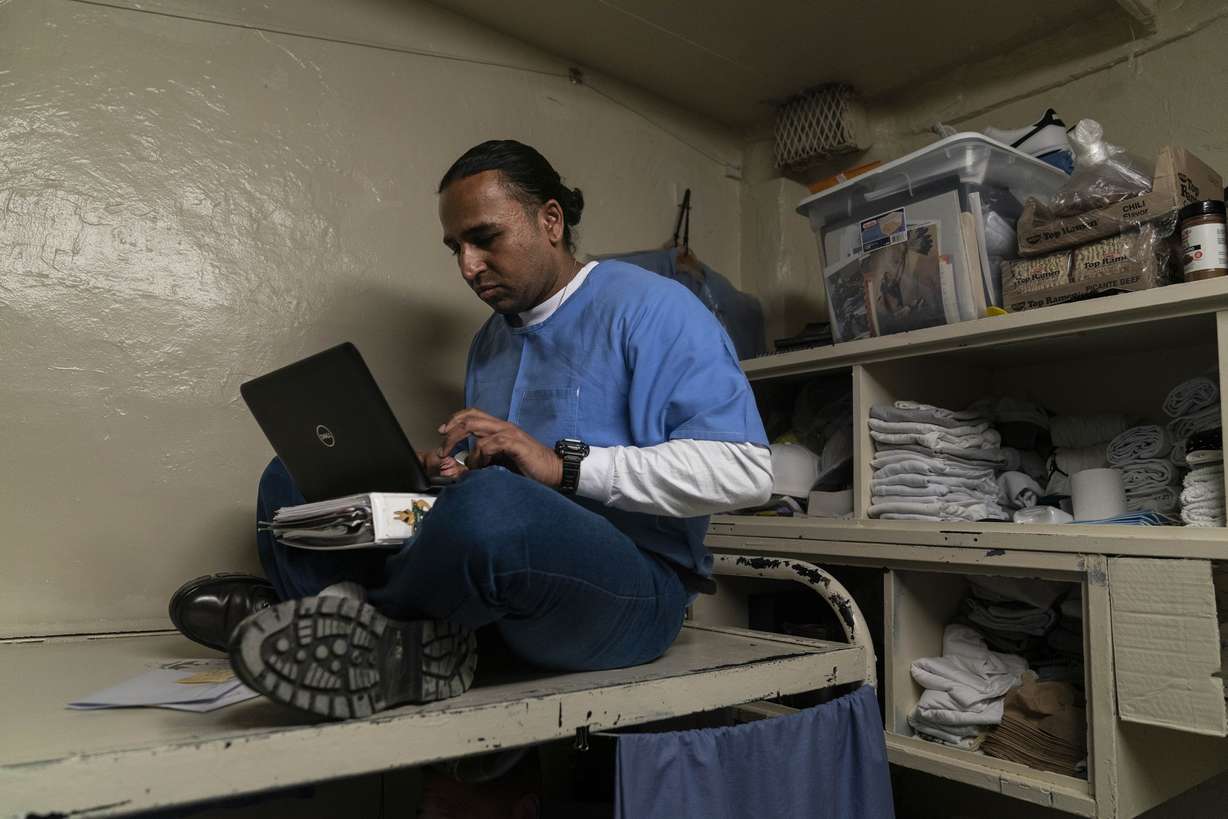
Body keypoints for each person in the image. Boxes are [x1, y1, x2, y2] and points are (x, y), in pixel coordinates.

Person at [170, 140, 772, 723]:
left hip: (634, 592)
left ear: (551, 220)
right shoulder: (493, 340)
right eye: (455, 247)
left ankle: (328, 621)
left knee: (495, 506)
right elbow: (501, 483)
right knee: (294, 476)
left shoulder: (655, 307)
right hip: (512, 568)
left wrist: (561, 466)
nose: (468, 266)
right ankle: (369, 637)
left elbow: (747, 473)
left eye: (485, 239)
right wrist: (454, 473)